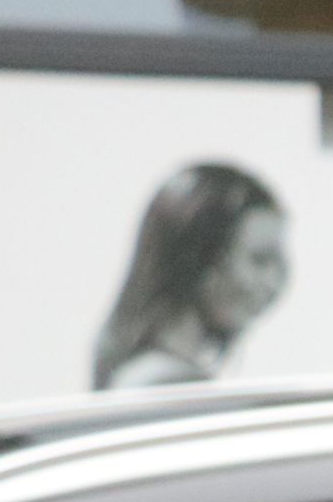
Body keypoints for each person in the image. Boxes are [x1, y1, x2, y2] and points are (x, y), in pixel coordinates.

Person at [93, 161, 291, 389]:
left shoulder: (149, 373)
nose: (272, 283)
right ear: (201, 261)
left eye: (279, 264)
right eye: (259, 260)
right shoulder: (162, 383)